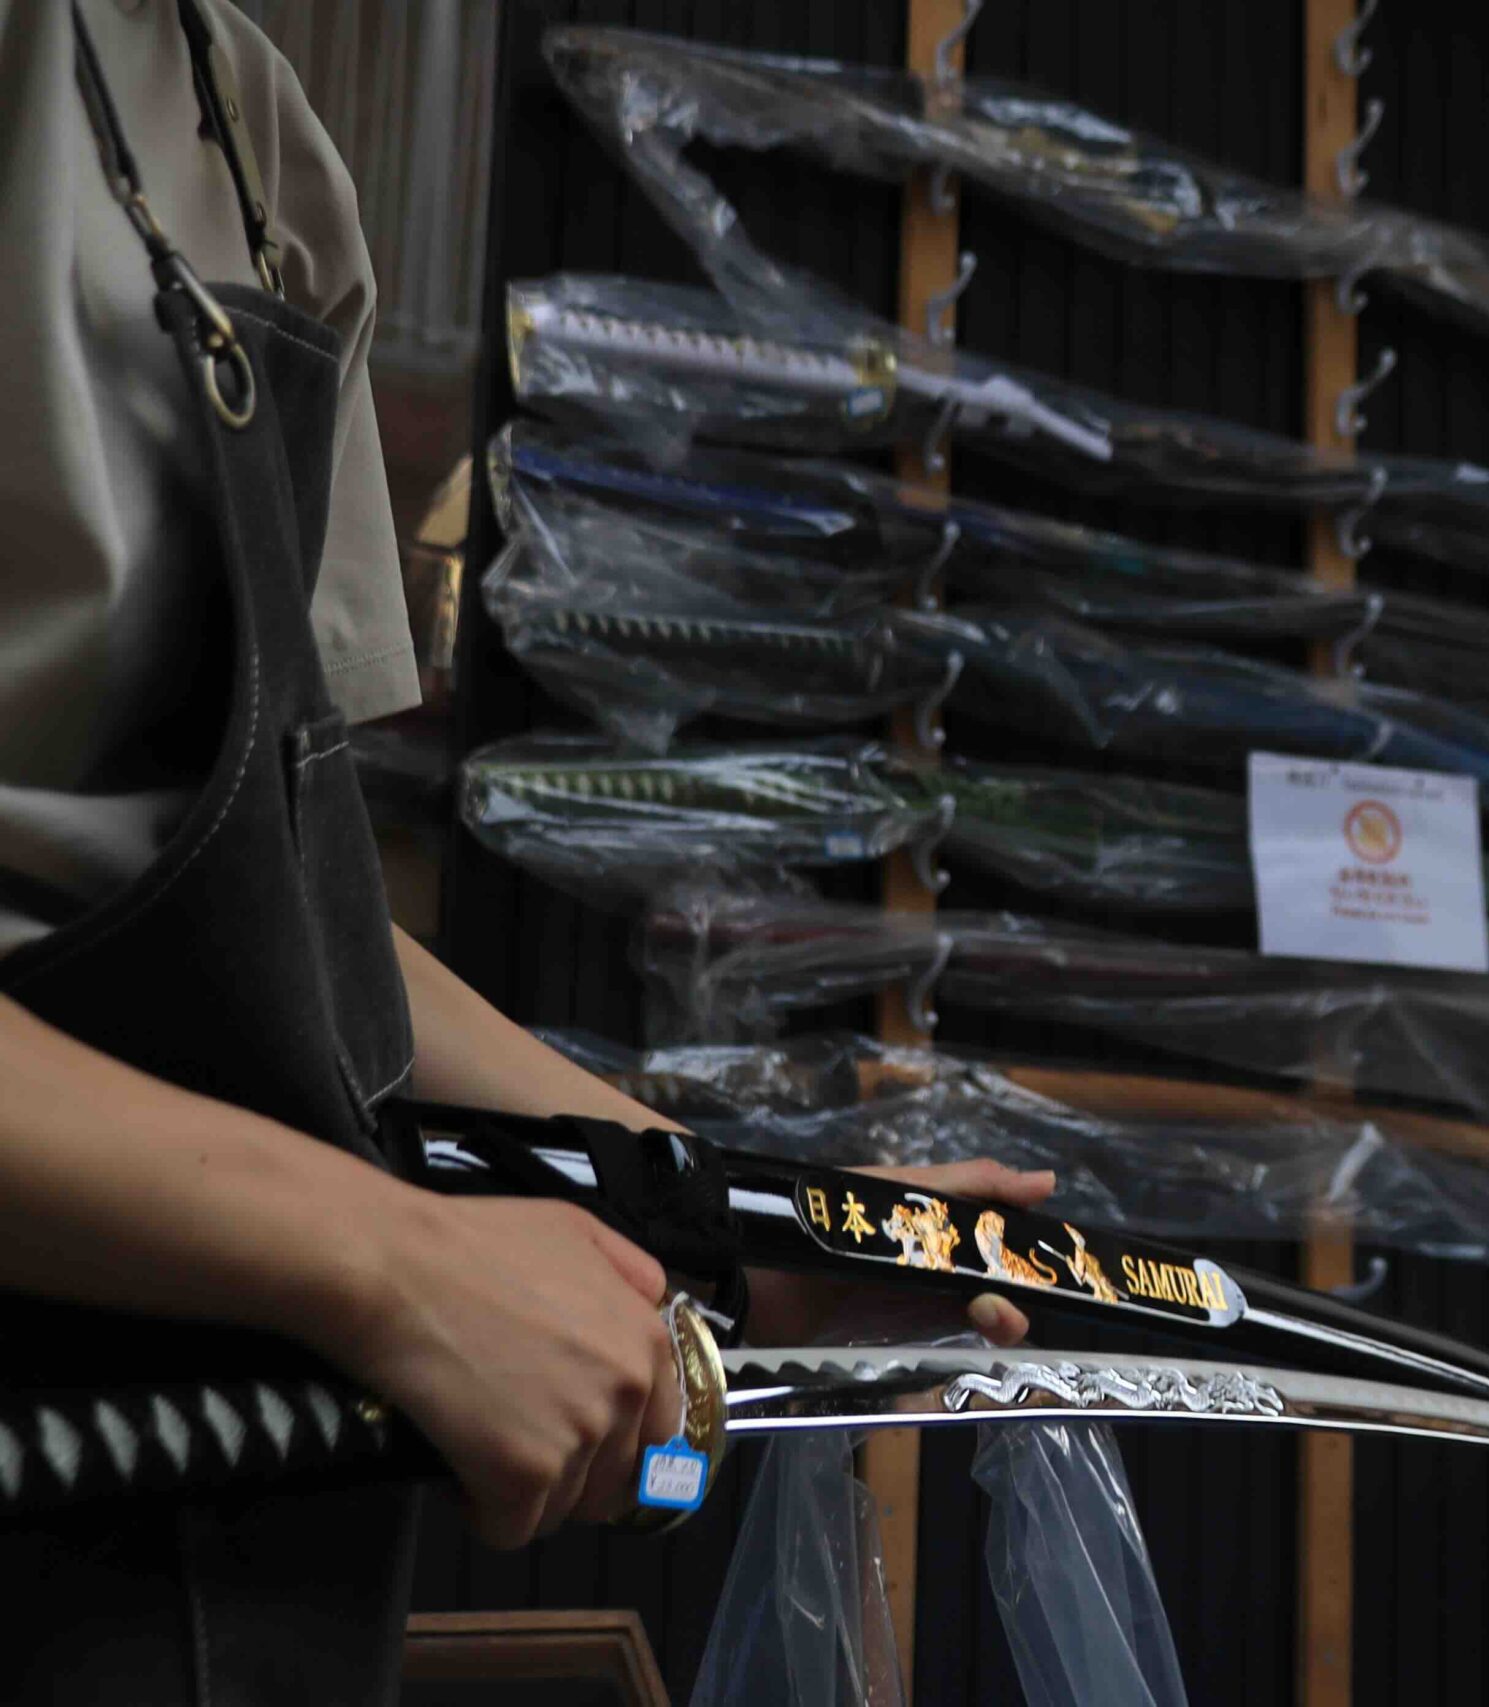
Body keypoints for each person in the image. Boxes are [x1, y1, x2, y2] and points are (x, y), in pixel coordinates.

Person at [0, 3, 1048, 1700]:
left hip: (231, 1522)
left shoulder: (257, 146)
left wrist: (711, 1216)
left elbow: (295, 918)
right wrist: (395, 1264)